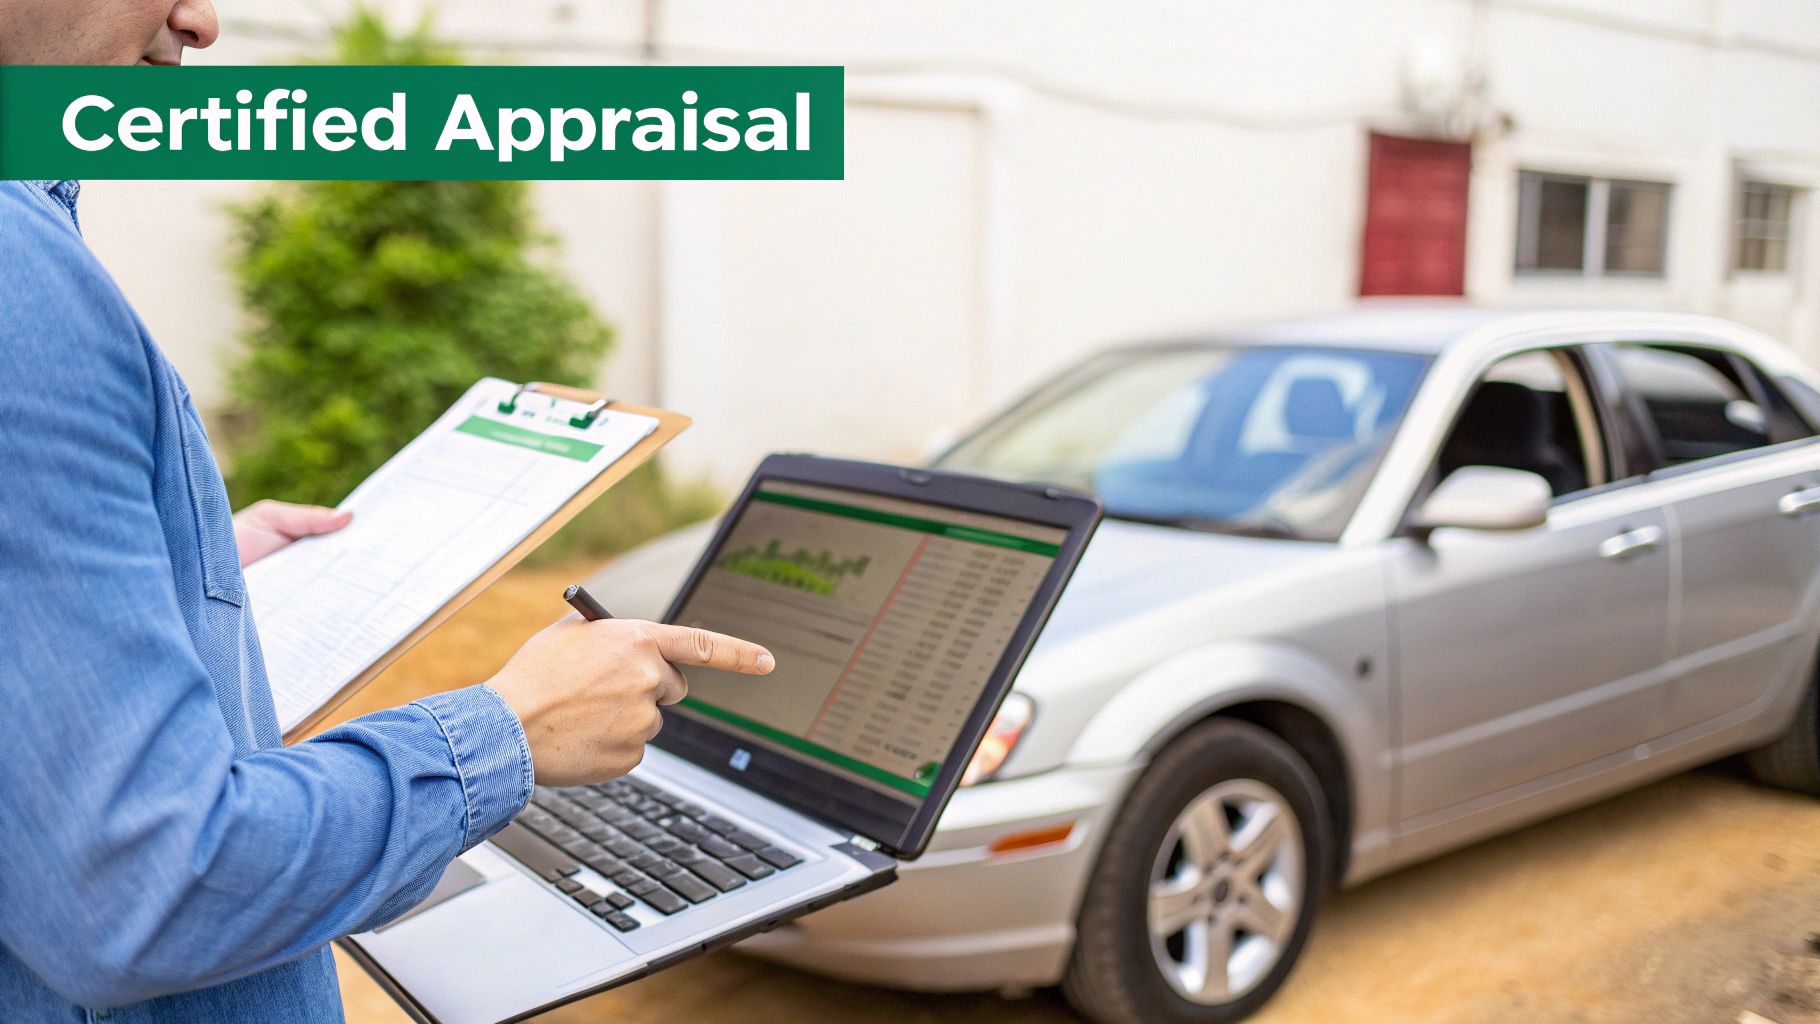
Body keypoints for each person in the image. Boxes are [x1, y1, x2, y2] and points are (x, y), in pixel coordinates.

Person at [0, 2, 776, 1021]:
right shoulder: (24, 275)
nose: (199, 19)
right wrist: (510, 728)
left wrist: (180, 575)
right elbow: (150, 888)